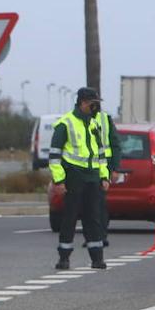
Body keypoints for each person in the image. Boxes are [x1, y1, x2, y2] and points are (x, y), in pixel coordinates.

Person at [49, 87, 121, 269]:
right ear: (82, 102)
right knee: (70, 218)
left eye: (97, 103)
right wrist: (59, 181)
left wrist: (104, 177)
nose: (95, 107)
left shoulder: (94, 123)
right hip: (74, 176)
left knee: (94, 218)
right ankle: (64, 257)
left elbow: (101, 153)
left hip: (93, 177)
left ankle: (97, 258)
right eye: (92, 103)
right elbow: (55, 156)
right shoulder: (65, 123)